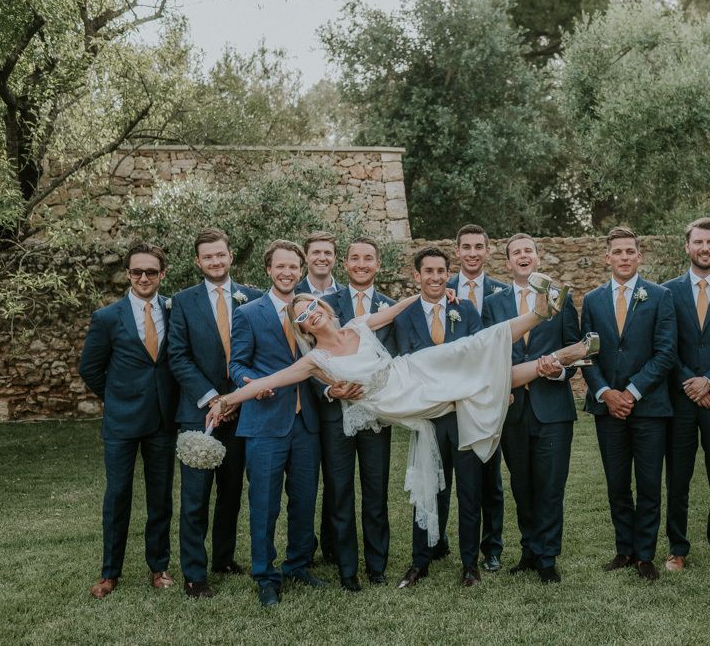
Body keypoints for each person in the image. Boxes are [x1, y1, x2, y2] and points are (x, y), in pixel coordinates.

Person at [210, 280, 595, 555]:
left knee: (473, 353)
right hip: (400, 399)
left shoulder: (357, 325)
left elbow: (393, 309)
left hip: (411, 369)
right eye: (303, 315)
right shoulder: (314, 360)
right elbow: (272, 380)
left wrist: (431, 291)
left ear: (324, 308)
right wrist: (228, 399)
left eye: (313, 306)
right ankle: (561, 347)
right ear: (302, 327)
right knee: (477, 380)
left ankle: (545, 321)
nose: (311, 314)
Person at [229, 239, 325, 608]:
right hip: (265, 421)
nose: (287, 272)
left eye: (293, 267)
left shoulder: (312, 311)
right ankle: (265, 575)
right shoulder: (249, 313)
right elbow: (237, 363)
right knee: (264, 503)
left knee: (303, 500)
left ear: (301, 271)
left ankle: (297, 564)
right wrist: (249, 384)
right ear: (268, 270)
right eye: (280, 266)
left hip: (306, 422)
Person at [79, 242, 178, 599]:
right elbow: (89, 368)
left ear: (162, 274)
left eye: (151, 271)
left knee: (160, 497)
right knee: (118, 495)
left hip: (163, 422)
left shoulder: (173, 310)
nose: (144, 277)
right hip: (121, 423)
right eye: (137, 271)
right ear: (128, 274)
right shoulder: (107, 317)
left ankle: (159, 566)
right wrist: (118, 397)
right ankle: (109, 572)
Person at [167, 228, 262, 598]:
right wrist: (212, 399)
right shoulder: (183, 302)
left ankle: (223, 557)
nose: (215, 261)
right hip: (199, 412)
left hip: (242, 410)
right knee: (195, 496)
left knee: (231, 490)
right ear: (198, 262)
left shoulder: (252, 298)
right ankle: (195, 573)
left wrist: (237, 398)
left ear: (230, 256)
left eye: (220, 255)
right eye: (208, 257)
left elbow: (259, 353)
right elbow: (178, 356)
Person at [482, 233, 581, 583]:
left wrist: (561, 371)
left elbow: (576, 351)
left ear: (538, 259)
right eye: (516, 252)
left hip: (552, 408)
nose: (523, 256)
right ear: (508, 263)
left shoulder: (560, 298)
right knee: (521, 484)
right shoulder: (493, 304)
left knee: (550, 485)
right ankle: (528, 549)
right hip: (511, 409)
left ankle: (547, 556)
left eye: (528, 251)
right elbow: (487, 353)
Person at [582, 227, 677, 581]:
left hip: (649, 407)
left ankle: (645, 555)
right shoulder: (592, 300)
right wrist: (606, 393)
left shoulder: (660, 296)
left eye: (630, 251)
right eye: (617, 252)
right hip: (608, 408)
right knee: (617, 483)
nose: (624, 257)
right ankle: (624, 549)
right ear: (607, 257)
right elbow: (586, 355)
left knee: (650, 483)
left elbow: (666, 352)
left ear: (639, 256)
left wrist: (632, 392)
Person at [395, 246, 485, 589]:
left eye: (440, 271)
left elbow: (478, 356)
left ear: (448, 274)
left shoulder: (466, 310)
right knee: (427, 489)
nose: (434, 277)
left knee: (469, 492)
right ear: (416, 276)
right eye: (427, 271)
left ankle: (469, 565)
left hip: (463, 416)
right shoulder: (404, 317)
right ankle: (420, 562)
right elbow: (403, 363)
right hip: (427, 419)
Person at [320, 237, 396, 591]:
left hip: (376, 415)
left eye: (368, 259)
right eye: (355, 258)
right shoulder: (326, 304)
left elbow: (401, 356)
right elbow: (307, 356)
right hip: (336, 415)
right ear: (345, 264)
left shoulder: (391, 307)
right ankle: (347, 568)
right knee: (339, 491)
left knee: (376, 490)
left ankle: (377, 565)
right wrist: (328, 388)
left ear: (378, 265)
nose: (361, 264)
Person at [447, 223, 508, 572]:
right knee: (443, 475)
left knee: (490, 477)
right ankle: (436, 542)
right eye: (466, 246)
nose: (472, 252)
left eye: (478, 247)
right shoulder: (441, 288)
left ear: (488, 251)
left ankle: (492, 546)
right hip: (448, 397)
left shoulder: (501, 293)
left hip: (491, 397)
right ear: (457, 251)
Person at [662, 217, 710, 571]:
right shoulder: (668, 292)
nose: (705, 248)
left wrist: (709, 380)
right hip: (680, 400)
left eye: (709, 243)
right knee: (678, 478)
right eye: (699, 242)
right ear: (687, 247)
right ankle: (677, 548)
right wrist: (690, 382)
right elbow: (665, 345)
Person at [295, 230, 344, 564]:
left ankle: (333, 545)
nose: (322, 258)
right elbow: (299, 356)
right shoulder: (295, 299)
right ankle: (305, 545)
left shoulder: (344, 297)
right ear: (306, 258)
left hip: (350, 400)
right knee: (311, 479)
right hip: (311, 401)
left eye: (328, 253)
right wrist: (325, 387)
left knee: (337, 481)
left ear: (334, 258)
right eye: (316, 253)